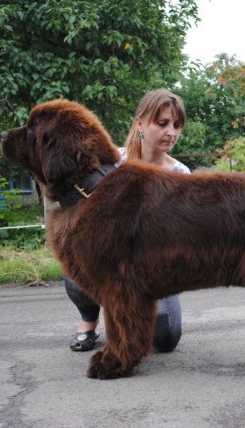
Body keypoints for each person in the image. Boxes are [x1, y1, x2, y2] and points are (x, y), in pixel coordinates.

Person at [65, 88, 190, 353]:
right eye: (163, 123)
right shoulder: (111, 162)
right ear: (141, 124)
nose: (172, 132)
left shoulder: (181, 174)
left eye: (177, 125)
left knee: (166, 338)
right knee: (75, 269)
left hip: (154, 266)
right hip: (108, 258)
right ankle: (89, 321)